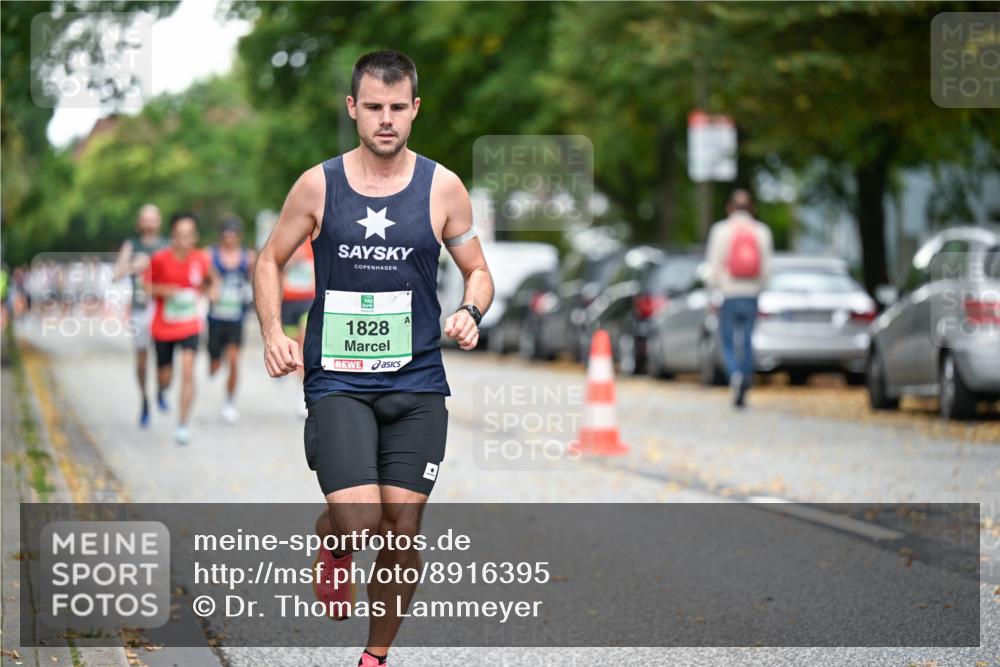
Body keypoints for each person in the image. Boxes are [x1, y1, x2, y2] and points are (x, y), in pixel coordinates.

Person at [253, 50, 493, 667]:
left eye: (397, 108)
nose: (386, 120)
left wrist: (470, 310)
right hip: (338, 379)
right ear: (353, 108)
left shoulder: (443, 187)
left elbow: (478, 272)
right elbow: (268, 261)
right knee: (360, 518)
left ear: (414, 110)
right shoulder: (318, 184)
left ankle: (374, 658)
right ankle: (333, 541)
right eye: (374, 108)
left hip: (417, 380)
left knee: (401, 528)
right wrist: (273, 331)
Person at [146, 213, 213, 444]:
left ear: (195, 236)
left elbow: (212, 281)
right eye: (179, 235)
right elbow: (146, 287)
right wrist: (165, 291)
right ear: (172, 236)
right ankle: (162, 390)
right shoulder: (159, 259)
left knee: (187, 370)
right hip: (163, 326)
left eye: (189, 235)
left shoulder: (201, 258)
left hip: (190, 324)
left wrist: (211, 291)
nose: (184, 240)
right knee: (165, 375)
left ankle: (183, 424)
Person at [706, 189, 774, 408]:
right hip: (752, 294)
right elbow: (767, 268)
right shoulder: (761, 231)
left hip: (729, 293)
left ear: (729, 208)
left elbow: (713, 266)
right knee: (746, 341)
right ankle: (745, 375)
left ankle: (735, 373)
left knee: (726, 340)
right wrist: (759, 287)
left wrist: (714, 289)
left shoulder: (721, 230)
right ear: (752, 208)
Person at [113, 204, 167, 427]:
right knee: (142, 360)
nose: (149, 223)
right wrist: (133, 266)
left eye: (153, 219)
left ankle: (162, 391)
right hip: (140, 308)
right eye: (145, 219)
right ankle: (145, 399)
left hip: (164, 308)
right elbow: (115, 275)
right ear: (139, 223)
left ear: (159, 222)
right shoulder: (131, 245)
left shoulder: (167, 245)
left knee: (165, 360)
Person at [207, 216, 255, 424]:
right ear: (221, 236)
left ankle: (229, 403)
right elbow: (200, 282)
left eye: (233, 234)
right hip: (215, 318)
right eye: (226, 234)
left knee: (234, 361)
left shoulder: (248, 258)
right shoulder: (210, 257)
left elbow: (257, 279)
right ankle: (214, 362)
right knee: (216, 365)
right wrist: (210, 288)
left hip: (237, 318)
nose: (230, 238)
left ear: (239, 236)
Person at [280, 238, 315, 416]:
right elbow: (274, 266)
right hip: (288, 302)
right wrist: (292, 261)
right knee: (292, 349)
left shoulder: (315, 241)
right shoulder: (288, 240)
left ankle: (301, 394)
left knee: (302, 345)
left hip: (307, 300)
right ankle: (288, 371)